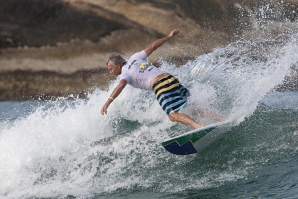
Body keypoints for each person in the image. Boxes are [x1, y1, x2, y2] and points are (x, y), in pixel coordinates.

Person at [101, 29, 224, 129]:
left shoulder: (125, 73)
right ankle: (222, 119)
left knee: (172, 115)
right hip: (170, 79)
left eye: (111, 69)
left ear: (118, 66)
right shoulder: (135, 58)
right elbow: (153, 46)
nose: (110, 72)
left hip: (160, 85)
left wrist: (108, 102)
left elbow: (121, 85)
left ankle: (198, 126)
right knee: (191, 106)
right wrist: (168, 36)